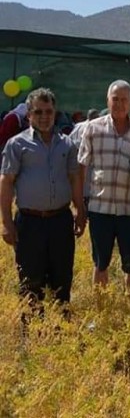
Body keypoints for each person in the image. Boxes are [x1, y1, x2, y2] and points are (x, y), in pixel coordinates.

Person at [0, 88, 86, 309]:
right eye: (38, 112)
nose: (44, 117)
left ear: (55, 113)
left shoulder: (67, 144)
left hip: (60, 222)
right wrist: (7, 223)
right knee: (30, 283)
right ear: (29, 115)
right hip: (30, 224)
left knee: (62, 282)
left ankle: (59, 336)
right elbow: (6, 182)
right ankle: (32, 337)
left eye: (48, 111)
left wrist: (81, 211)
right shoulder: (17, 145)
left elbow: (75, 179)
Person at [78, 80, 130, 289]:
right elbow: (82, 166)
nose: (119, 104)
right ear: (107, 101)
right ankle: (101, 313)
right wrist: (80, 205)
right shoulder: (93, 128)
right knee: (100, 264)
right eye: (115, 99)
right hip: (101, 208)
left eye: (124, 100)